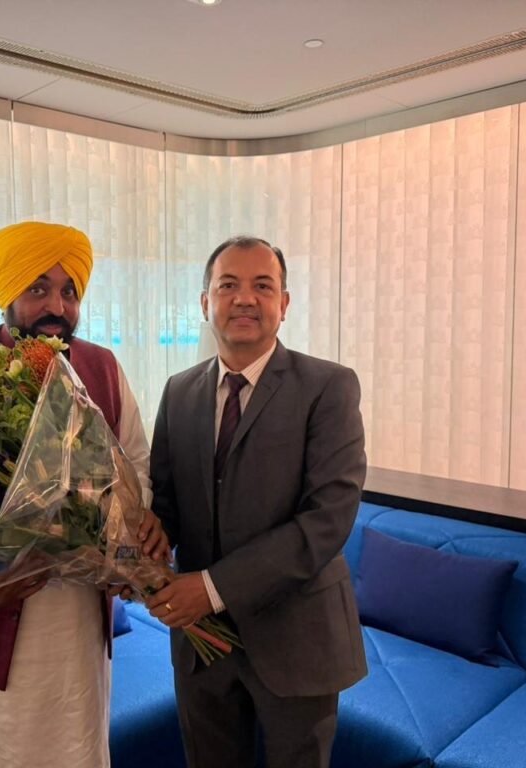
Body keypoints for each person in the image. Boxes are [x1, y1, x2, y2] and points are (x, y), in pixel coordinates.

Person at [0, 221, 168, 768]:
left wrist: (129, 536)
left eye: (69, 290)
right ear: (6, 292)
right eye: (38, 288)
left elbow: (138, 468)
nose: (57, 306)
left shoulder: (104, 369)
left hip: (74, 639)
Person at [147, 236, 367, 768]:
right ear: (205, 303)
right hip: (201, 647)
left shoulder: (328, 387)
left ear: (283, 304)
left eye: (262, 286)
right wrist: (140, 542)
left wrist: (211, 588)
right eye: (228, 285)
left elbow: (326, 521)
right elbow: (167, 505)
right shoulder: (178, 392)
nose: (245, 298)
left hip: (298, 639)